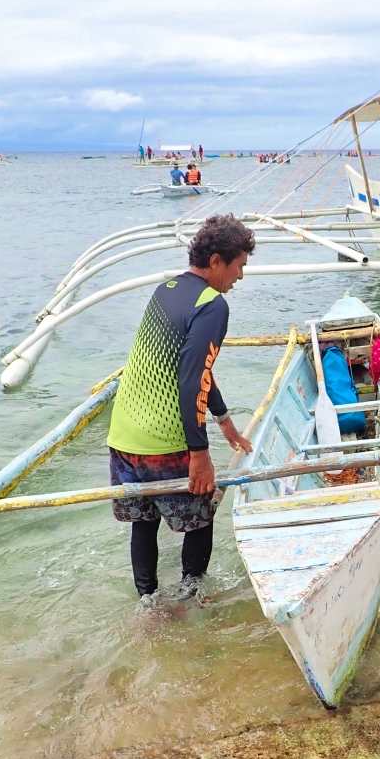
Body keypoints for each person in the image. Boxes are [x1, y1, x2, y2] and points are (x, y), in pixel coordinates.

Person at [106, 215, 256, 602]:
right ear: (218, 260)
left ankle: (147, 601)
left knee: (145, 521)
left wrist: (224, 421)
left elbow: (193, 369)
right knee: (201, 518)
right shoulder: (213, 305)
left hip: (123, 436)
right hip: (166, 441)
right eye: (239, 266)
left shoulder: (165, 290)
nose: (240, 276)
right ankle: (191, 595)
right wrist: (200, 453)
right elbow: (192, 379)